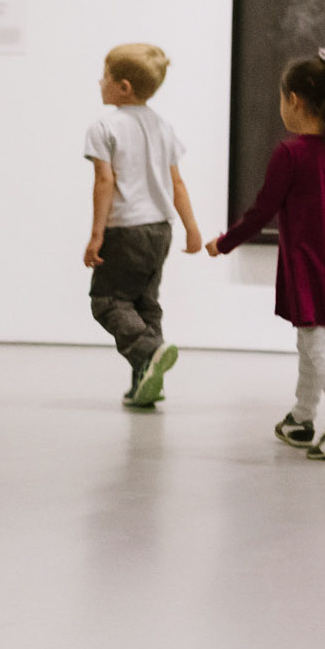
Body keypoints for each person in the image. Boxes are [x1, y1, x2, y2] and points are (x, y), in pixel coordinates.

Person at [208, 51, 325, 458]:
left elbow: (262, 210)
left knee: (319, 343)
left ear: (295, 100)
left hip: (311, 265)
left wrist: (223, 243)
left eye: (282, 98)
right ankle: (301, 418)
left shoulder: (291, 154)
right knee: (311, 340)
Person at [83, 42, 202, 408]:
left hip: (125, 229)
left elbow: (105, 182)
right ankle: (147, 382)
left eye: (105, 75)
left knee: (107, 302)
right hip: (160, 230)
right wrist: (191, 228)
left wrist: (96, 235)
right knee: (145, 304)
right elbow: (176, 182)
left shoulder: (104, 126)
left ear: (124, 87)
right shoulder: (162, 125)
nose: (98, 81)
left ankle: (150, 353)